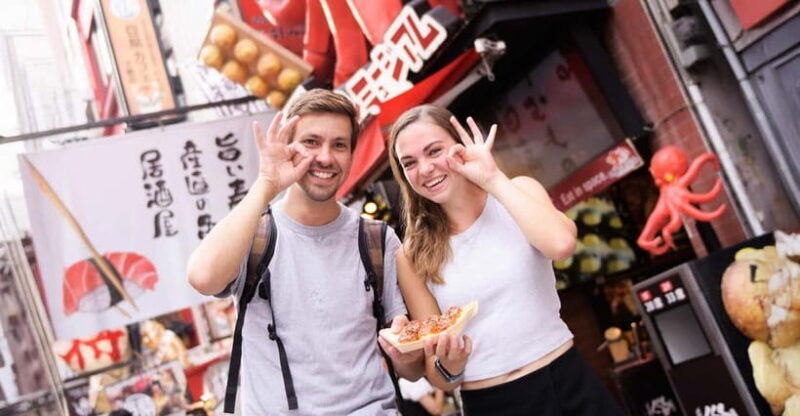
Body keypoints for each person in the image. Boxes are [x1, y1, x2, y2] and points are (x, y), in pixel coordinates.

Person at [187, 89, 422, 414]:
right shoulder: (254, 234)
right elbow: (202, 277)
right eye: (311, 142)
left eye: (339, 145)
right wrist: (267, 183)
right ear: (288, 147)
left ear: (352, 154)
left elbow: (414, 369)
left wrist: (406, 354)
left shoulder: (377, 239)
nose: (325, 157)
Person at [387, 104, 624, 415]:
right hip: (490, 402)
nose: (426, 169)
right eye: (410, 163)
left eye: (434, 151)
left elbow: (562, 244)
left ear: (461, 145)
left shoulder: (518, 191)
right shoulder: (411, 254)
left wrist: (493, 178)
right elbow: (438, 374)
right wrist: (450, 365)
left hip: (566, 380)